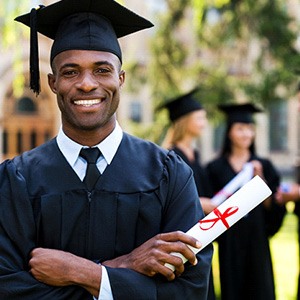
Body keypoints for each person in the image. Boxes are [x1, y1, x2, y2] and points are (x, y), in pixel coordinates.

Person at [0, 1, 213, 299]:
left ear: (121, 79)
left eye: (102, 70)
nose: (87, 84)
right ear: (53, 83)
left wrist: (85, 273)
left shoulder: (169, 174)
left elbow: (190, 289)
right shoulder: (16, 180)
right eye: (71, 72)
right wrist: (124, 268)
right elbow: (7, 289)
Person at [206, 103, 286, 300]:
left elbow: (274, 208)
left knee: (261, 288)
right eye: (240, 128)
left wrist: (261, 181)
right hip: (230, 242)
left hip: (257, 239)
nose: (246, 134)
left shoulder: (264, 166)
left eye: (250, 129)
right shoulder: (215, 168)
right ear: (230, 132)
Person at [159, 89, 216, 300]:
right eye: (199, 117)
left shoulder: (196, 154)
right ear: (185, 120)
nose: (204, 122)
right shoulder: (170, 157)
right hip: (180, 236)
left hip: (201, 236)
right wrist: (201, 203)